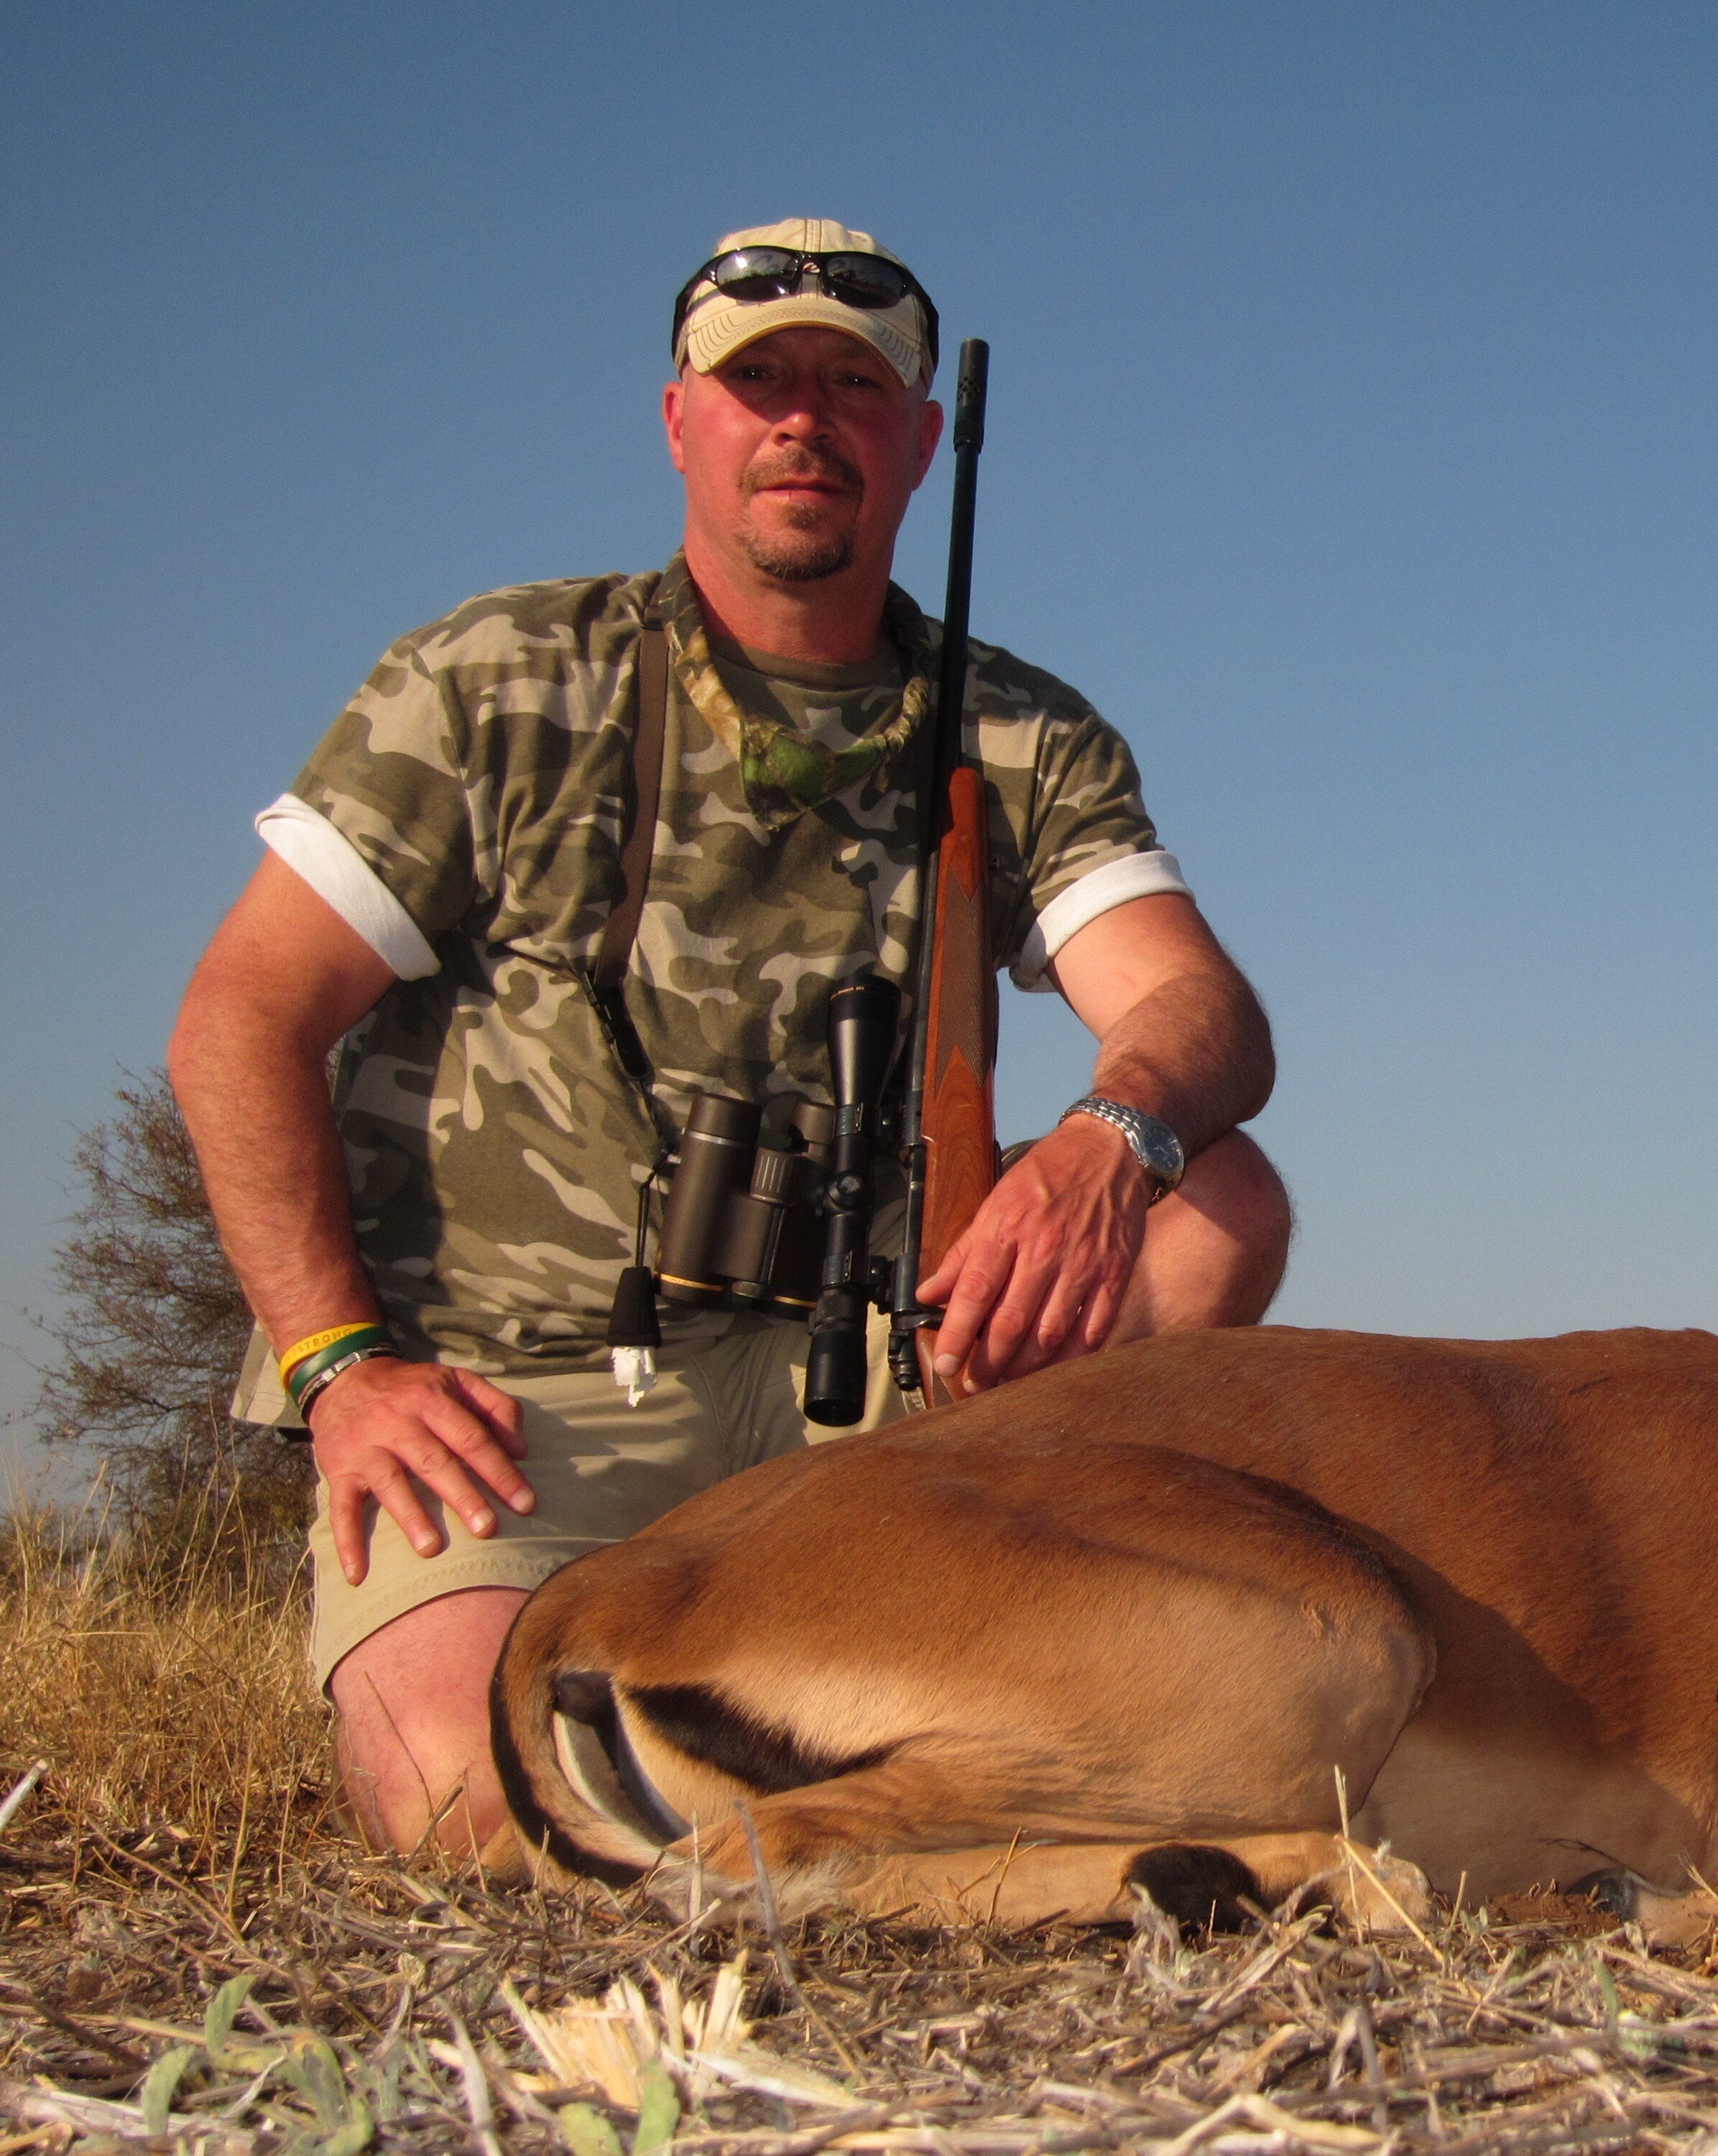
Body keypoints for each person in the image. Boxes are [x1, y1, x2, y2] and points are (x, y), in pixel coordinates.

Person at [169, 219, 1291, 1866]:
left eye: (854, 385)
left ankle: (991, 1661)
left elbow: (1204, 1012)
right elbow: (241, 1017)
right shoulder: (495, 680)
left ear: (919, 441)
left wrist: (1105, 1135)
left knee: (1220, 1198)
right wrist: (341, 1365)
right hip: (518, 1388)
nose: (802, 419)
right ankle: (941, 1770)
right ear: (678, 419)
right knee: (472, 1812)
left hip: (882, 1379)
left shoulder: (1019, 729)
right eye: (755, 380)